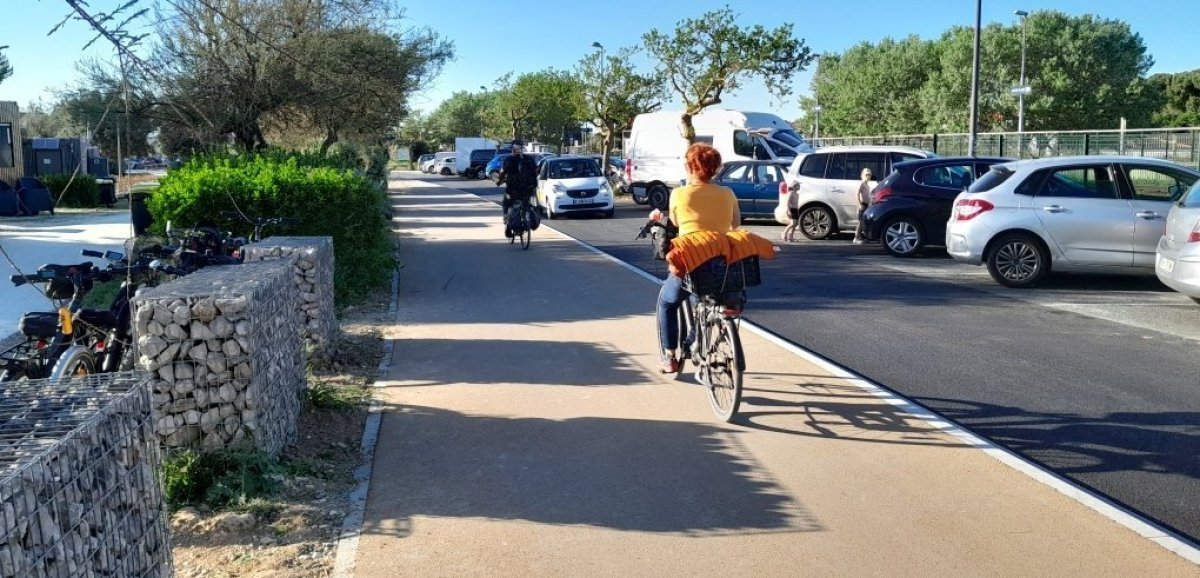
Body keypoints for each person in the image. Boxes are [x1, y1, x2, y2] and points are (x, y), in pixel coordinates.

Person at [655, 143, 741, 373]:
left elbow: (674, 222)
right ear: (715, 168)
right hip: (722, 263)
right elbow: (735, 224)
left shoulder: (679, 194)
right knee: (708, 300)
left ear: (690, 167)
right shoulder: (727, 194)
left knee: (666, 302)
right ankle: (698, 339)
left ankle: (670, 357)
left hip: (691, 261)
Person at [497, 139, 539, 237]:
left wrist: (499, 181)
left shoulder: (508, 159)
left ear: (512, 149)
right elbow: (536, 170)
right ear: (522, 148)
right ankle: (529, 219)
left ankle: (507, 225)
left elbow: (502, 173)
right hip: (528, 189)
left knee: (506, 203)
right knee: (529, 204)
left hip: (513, 190)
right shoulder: (529, 159)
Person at [853, 167, 873, 244]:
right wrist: (860, 204)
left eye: (869, 175)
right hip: (862, 205)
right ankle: (856, 238)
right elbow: (857, 193)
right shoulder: (862, 183)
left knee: (863, 222)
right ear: (863, 175)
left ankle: (860, 237)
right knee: (860, 222)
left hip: (866, 205)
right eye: (867, 175)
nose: (868, 176)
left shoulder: (867, 185)